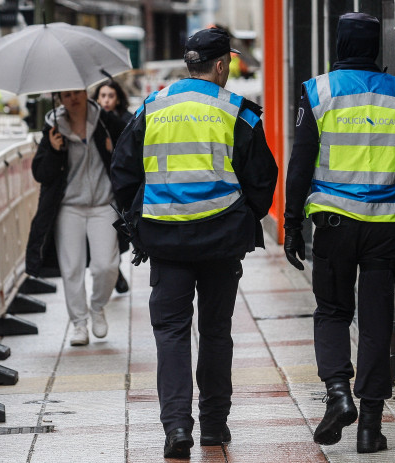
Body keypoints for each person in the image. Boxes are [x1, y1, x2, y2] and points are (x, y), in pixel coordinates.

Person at [283, 12, 395, 454]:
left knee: (333, 311)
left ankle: (338, 392)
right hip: (384, 229)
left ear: (339, 45)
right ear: (375, 47)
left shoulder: (317, 92)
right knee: (376, 321)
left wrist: (291, 224)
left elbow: (300, 166)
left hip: (335, 225)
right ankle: (371, 428)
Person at [111, 28, 278, 459]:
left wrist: (140, 223)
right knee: (217, 332)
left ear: (190, 63)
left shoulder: (152, 106)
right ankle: (214, 425)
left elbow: (123, 172)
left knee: (171, 332)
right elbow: (263, 178)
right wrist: (243, 215)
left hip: (166, 241)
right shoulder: (236, 110)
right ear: (221, 65)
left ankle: (176, 429)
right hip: (222, 241)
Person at [26, 90, 126, 346]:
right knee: (72, 269)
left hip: (104, 204)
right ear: (59, 98)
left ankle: (97, 306)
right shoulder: (53, 128)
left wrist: (113, 151)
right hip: (69, 207)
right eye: (66, 94)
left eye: (76, 92)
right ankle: (79, 324)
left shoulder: (105, 120)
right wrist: (55, 150)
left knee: (106, 265)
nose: (73, 98)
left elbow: (132, 151)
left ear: (85, 90)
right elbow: (41, 173)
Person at [92, 80, 133, 294]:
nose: (106, 100)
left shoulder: (127, 121)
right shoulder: (92, 121)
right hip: (98, 190)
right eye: (103, 96)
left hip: (119, 189)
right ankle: (114, 271)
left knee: (116, 233)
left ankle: (114, 269)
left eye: (111, 96)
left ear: (118, 98)